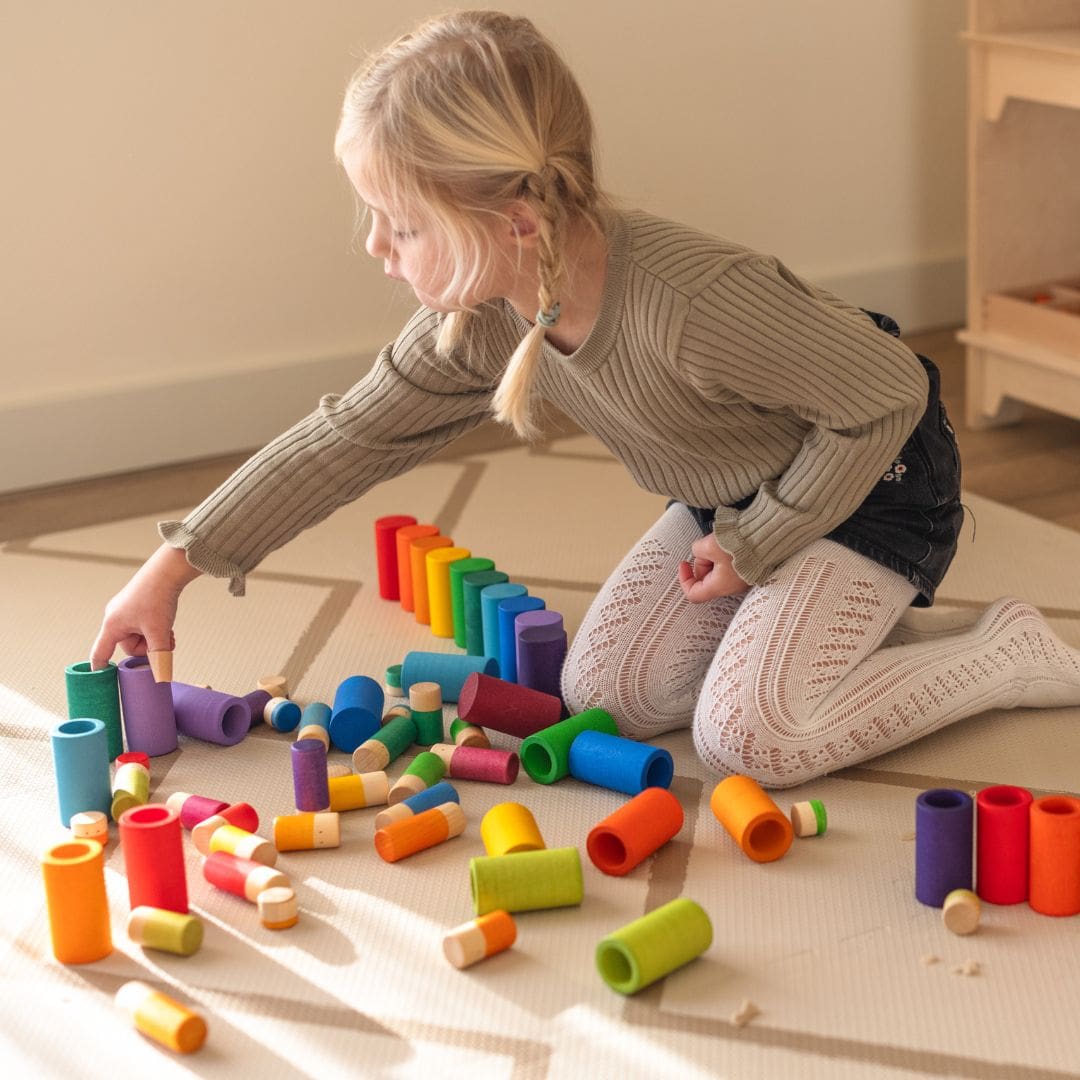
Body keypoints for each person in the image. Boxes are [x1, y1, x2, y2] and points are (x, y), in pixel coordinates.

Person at [90, 10, 1080, 788]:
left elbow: (886, 395)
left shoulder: (694, 303)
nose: (375, 249)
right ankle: (818, 629)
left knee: (749, 739)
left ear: (514, 220)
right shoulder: (484, 308)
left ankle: (1004, 654)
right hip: (736, 490)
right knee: (607, 692)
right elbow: (346, 439)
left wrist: (755, 547)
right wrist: (172, 568)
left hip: (874, 482)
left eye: (401, 225)